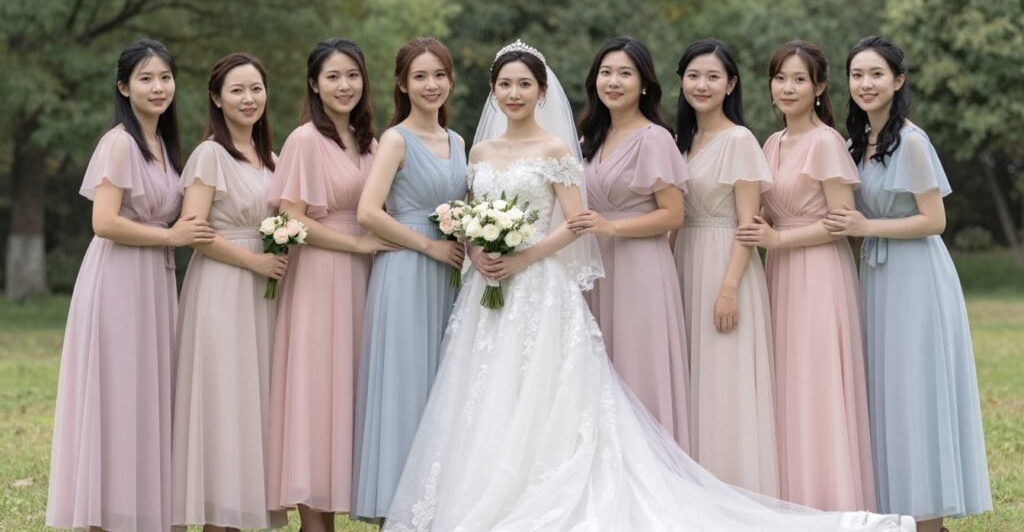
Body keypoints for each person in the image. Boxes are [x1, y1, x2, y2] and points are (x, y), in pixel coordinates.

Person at [381, 40, 913, 532]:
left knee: (564, 387)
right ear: (493, 93)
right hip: (492, 291)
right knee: (489, 391)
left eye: (525, 84)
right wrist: (481, 250)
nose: (514, 93)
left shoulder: (571, 149)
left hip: (555, 278)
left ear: (544, 92)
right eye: (504, 85)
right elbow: (473, 213)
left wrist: (523, 259)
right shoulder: (490, 151)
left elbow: (585, 220)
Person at [824, 36, 992, 532]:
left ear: (898, 81)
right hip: (878, 279)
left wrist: (865, 228)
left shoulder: (912, 141)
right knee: (887, 391)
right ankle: (898, 513)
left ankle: (930, 520)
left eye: (876, 74)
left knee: (916, 393)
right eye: (857, 75)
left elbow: (934, 219)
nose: (865, 84)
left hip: (917, 278)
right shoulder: (858, 142)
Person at [47, 39, 215, 532]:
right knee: (116, 394)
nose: (158, 87)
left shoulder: (166, 146)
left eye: (165, 77)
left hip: (156, 283)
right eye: (146, 78)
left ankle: (140, 512)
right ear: (124, 87)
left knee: (148, 393)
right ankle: (103, 514)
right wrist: (171, 235)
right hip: (118, 279)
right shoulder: (119, 142)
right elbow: (103, 221)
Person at [736, 40, 874, 512]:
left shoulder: (826, 142)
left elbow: (843, 219)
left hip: (819, 274)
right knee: (786, 384)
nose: (788, 88)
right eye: (780, 79)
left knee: (817, 383)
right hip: (779, 275)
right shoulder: (771, 143)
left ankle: (830, 500)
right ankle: (790, 502)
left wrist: (778, 241)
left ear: (819, 88)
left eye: (799, 79)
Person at [266, 38, 395, 532]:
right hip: (320, 274)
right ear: (314, 85)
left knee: (357, 386)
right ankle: (315, 520)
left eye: (353, 76)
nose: (344, 86)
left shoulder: (373, 144)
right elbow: (291, 219)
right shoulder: (304, 141)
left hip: (368, 279)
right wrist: (358, 246)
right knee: (317, 388)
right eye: (333, 77)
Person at [352, 36, 468, 523]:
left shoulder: (459, 141)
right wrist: (428, 246)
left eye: (438, 74)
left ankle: (434, 505)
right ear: (402, 83)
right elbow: (367, 212)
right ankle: (391, 507)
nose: (431, 85)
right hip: (405, 270)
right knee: (403, 383)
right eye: (420, 76)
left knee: (440, 385)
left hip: (448, 276)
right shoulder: (396, 140)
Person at [172, 52, 287, 531]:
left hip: (264, 297)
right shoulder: (210, 155)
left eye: (255, 89)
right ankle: (216, 518)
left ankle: (241, 517)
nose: (248, 99)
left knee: (253, 404)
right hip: (221, 290)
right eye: (237, 90)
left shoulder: (275, 160)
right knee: (222, 401)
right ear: (217, 99)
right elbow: (192, 227)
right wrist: (255, 260)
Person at [670, 38, 778, 495]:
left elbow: (749, 222)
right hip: (684, 259)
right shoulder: (682, 140)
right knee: (692, 380)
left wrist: (729, 288)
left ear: (731, 83)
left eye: (713, 76)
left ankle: (734, 491)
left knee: (724, 382)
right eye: (694, 75)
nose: (702, 84)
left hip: (726, 264)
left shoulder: (740, 140)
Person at [571, 36, 690, 448]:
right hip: (596, 266)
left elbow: (674, 215)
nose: (614, 82)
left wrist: (612, 227)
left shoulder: (655, 138)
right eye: (606, 73)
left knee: (639, 369)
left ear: (644, 84)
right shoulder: (588, 139)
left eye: (625, 73)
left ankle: (651, 469)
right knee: (600, 369)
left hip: (641, 266)